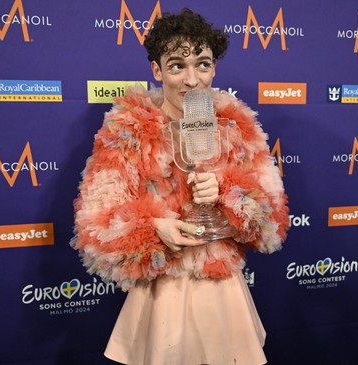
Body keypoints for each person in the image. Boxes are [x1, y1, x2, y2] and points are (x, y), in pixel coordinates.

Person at [72, 8, 289, 365]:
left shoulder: (236, 128)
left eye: (203, 64)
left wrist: (227, 191)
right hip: (161, 292)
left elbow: (272, 222)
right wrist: (154, 228)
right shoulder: (128, 130)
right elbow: (94, 224)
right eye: (177, 66)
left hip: (222, 290)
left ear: (214, 68)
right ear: (157, 70)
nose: (192, 80)